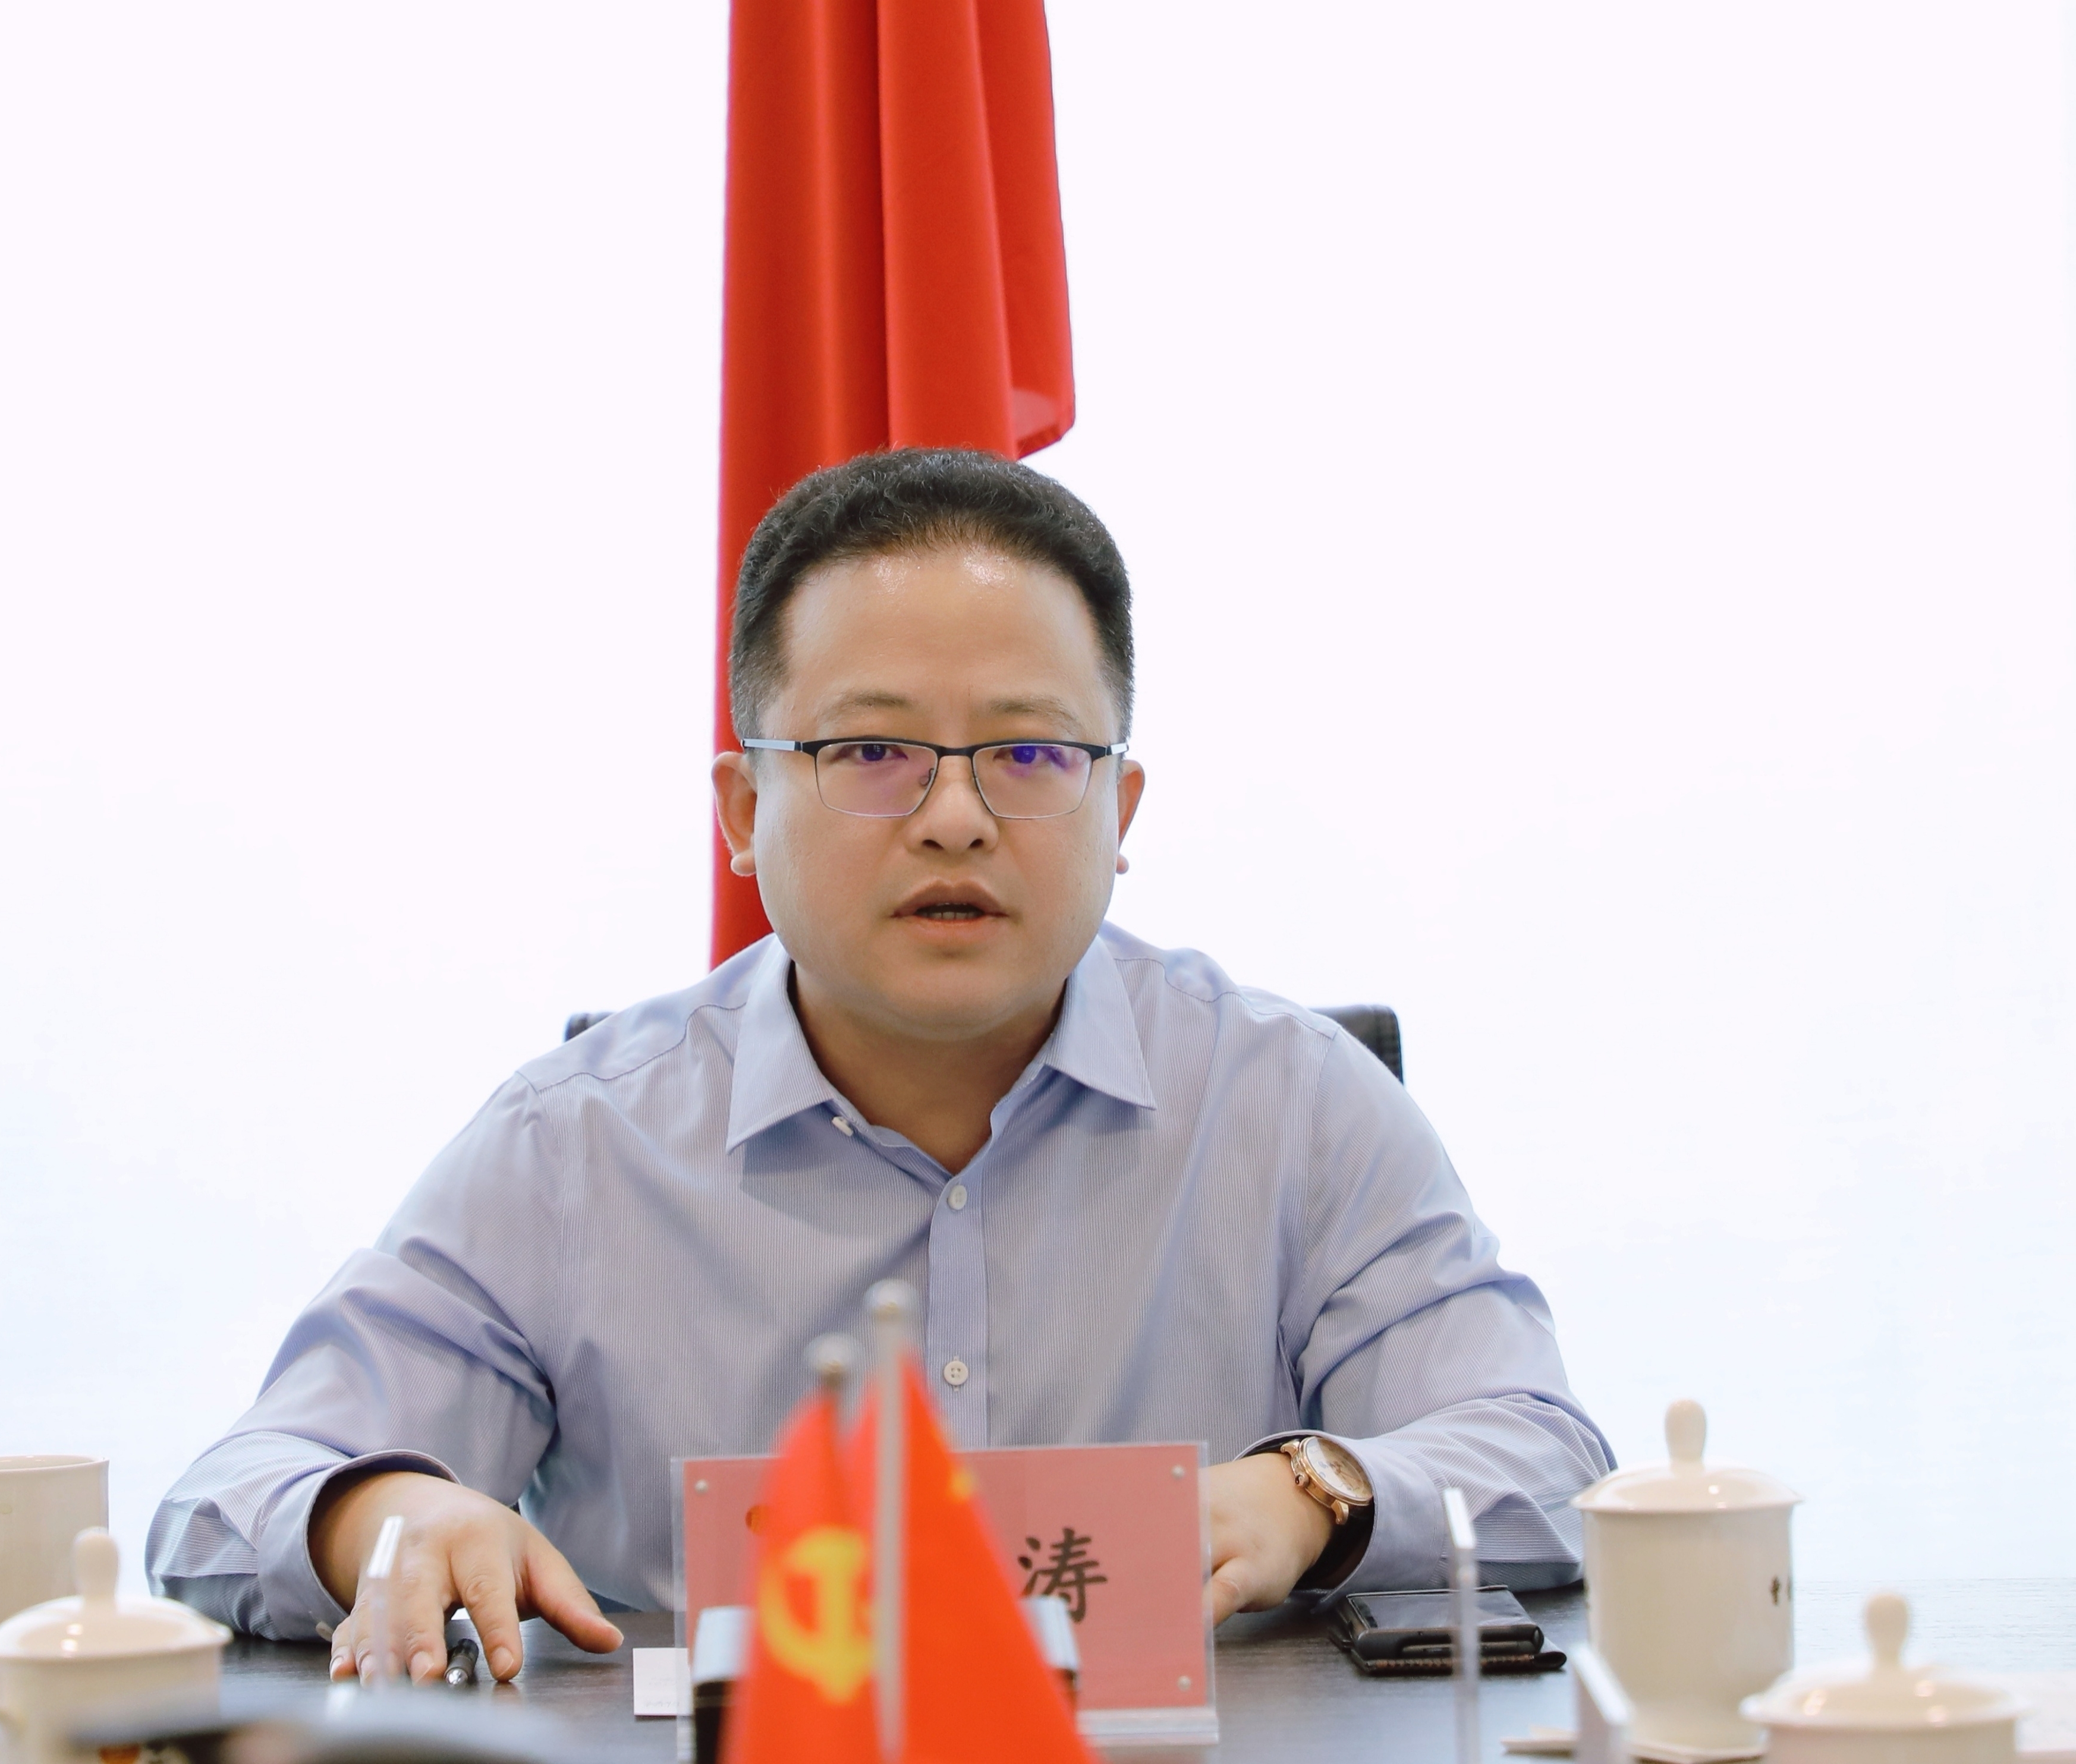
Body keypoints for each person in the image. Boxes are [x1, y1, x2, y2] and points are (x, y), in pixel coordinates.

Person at [147, 447, 1612, 1685]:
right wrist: (381, 1517)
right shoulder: (572, 1148)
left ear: (1121, 809)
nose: (955, 817)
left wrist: (1314, 1492)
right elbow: (228, 1497)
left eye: (1030, 755)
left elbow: (1549, 1457)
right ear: (743, 808)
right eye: (870, 753)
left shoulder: (1293, 1104)